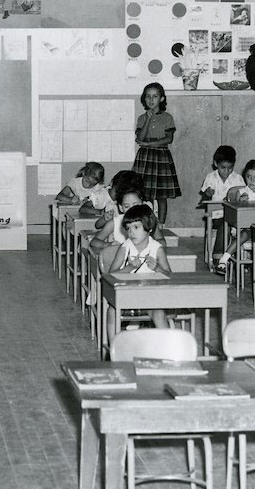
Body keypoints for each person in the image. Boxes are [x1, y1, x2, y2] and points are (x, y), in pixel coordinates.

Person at [103, 204, 172, 346]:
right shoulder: (125, 247)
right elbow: (111, 274)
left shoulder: (157, 249)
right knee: (112, 310)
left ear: (149, 229)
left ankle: (167, 347)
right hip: (126, 294)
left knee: (158, 313)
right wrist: (129, 267)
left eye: (136, 227)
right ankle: (114, 349)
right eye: (128, 228)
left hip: (149, 295)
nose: (131, 232)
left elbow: (169, 275)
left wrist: (157, 267)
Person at [133, 83, 180, 229]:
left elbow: (169, 139)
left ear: (161, 99)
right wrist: (148, 119)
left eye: (155, 96)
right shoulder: (142, 118)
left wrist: (150, 144)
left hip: (161, 156)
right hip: (145, 158)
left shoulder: (167, 118)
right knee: (145, 194)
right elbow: (141, 136)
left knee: (161, 195)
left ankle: (161, 225)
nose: (151, 100)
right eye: (148, 96)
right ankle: (146, 224)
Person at [216, 159, 255, 273]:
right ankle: (224, 260)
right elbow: (235, 212)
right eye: (249, 177)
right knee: (245, 234)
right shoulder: (242, 192)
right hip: (245, 227)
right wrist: (240, 201)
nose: (252, 180)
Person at [199, 145, 245, 256]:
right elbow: (204, 200)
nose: (226, 171)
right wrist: (207, 194)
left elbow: (243, 198)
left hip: (234, 216)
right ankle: (218, 255)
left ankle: (234, 255)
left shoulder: (238, 179)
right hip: (216, 216)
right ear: (216, 164)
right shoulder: (211, 177)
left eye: (230, 168)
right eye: (223, 168)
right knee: (225, 225)